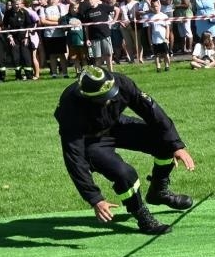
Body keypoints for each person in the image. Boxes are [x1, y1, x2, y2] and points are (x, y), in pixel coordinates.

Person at [55, 65, 196, 236]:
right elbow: (74, 157)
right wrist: (94, 199)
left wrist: (176, 145)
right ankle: (142, 217)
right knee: (124, 173)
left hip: (115, 125)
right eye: (103, 98)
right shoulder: (70, 107)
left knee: (163, 140)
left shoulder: (121, 83)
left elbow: (152, 111)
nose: (110, 99)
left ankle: (158, 191)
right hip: (90, 140)